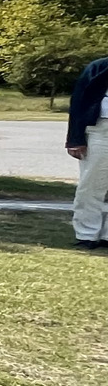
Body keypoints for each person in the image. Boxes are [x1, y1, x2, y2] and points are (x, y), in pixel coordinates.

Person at [68, 54, 108, 250]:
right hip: (100, 129)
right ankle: (87, 234)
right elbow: (78, 103)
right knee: (92, 184)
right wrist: (75, 139)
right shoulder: (98, 67)